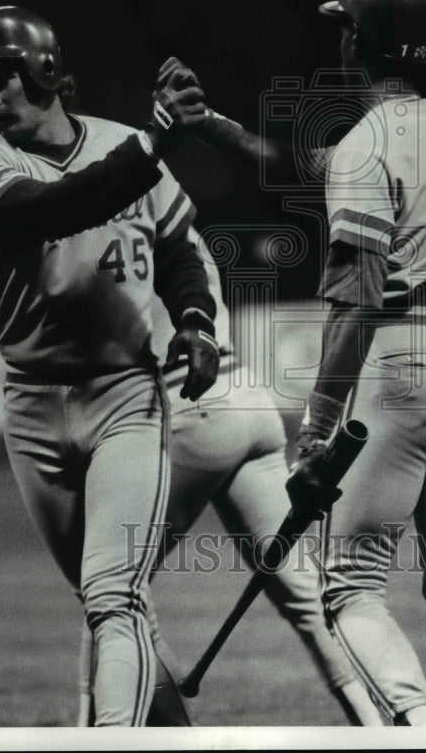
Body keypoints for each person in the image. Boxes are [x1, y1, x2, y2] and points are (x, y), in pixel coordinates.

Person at [160, 0, 426, 726]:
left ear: (357, 38)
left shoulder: (363, 148)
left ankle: (418, 733)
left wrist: (317, 428)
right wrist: (211, 128)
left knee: (349, 587)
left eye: (343, 25)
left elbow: (353, 302)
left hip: (404, 359)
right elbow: (303, 170)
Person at [0, 5, 220, 727]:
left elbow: (178, 250)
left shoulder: (126, 143)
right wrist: (157, 140)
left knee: (113, 596)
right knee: (116, 611)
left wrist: (195, 320)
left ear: (41, 69)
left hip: (125, 393)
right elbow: (59, 207)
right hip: (31, 409)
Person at [77, 225, 382, 727]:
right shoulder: (179, 229)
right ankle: (373, 725)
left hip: (184, 409)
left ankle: (100, 729)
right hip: (247, 402)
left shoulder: (106, 235)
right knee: (302, 595)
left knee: (112, 590)